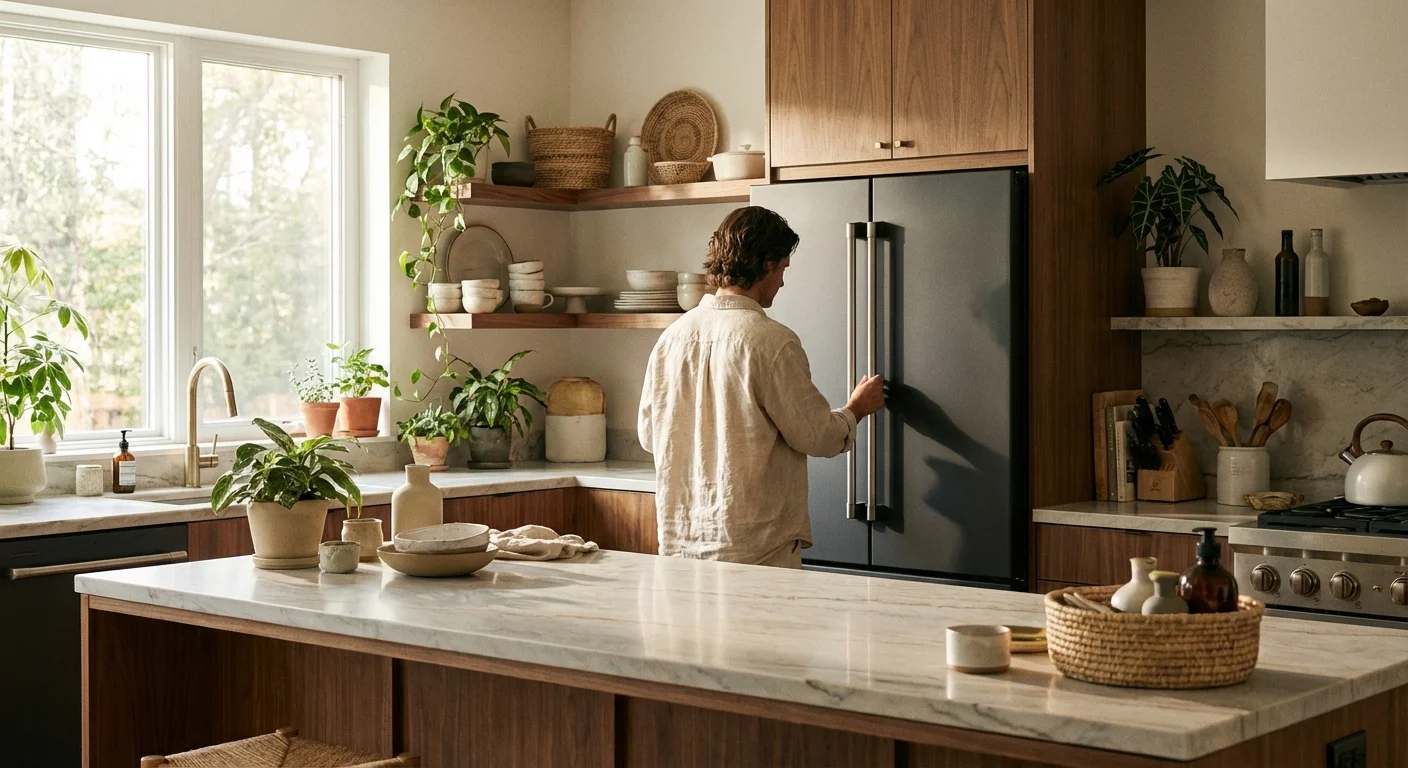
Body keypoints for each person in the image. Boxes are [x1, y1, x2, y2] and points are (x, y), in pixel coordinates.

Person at [637, 206, 885, 568]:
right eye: (783, 267)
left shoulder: (672, 337)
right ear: (766, 264)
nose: (783, 281)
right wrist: (856, 409)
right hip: (755, 549)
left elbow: (649, 435)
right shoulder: (770, 341)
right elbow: (815, 435)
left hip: (682, 545)